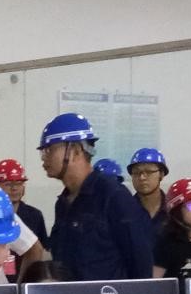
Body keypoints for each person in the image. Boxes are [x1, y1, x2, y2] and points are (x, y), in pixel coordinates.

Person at [40, 113, 153, 281]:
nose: (44, 158)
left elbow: (140, 264)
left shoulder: (113, 196)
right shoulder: (63, 203)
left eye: (49, 150)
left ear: (75, 150)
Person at [0, 158, 48, 245]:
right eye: (8, 184)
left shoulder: (35, 216)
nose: (14, 188)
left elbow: (43, 248)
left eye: (19, 183)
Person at [128, 147, 169, 233]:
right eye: (136, 172)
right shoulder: (124, 210)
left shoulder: (173, 210)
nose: (142, 177)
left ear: (161, 174)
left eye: (149, 171)